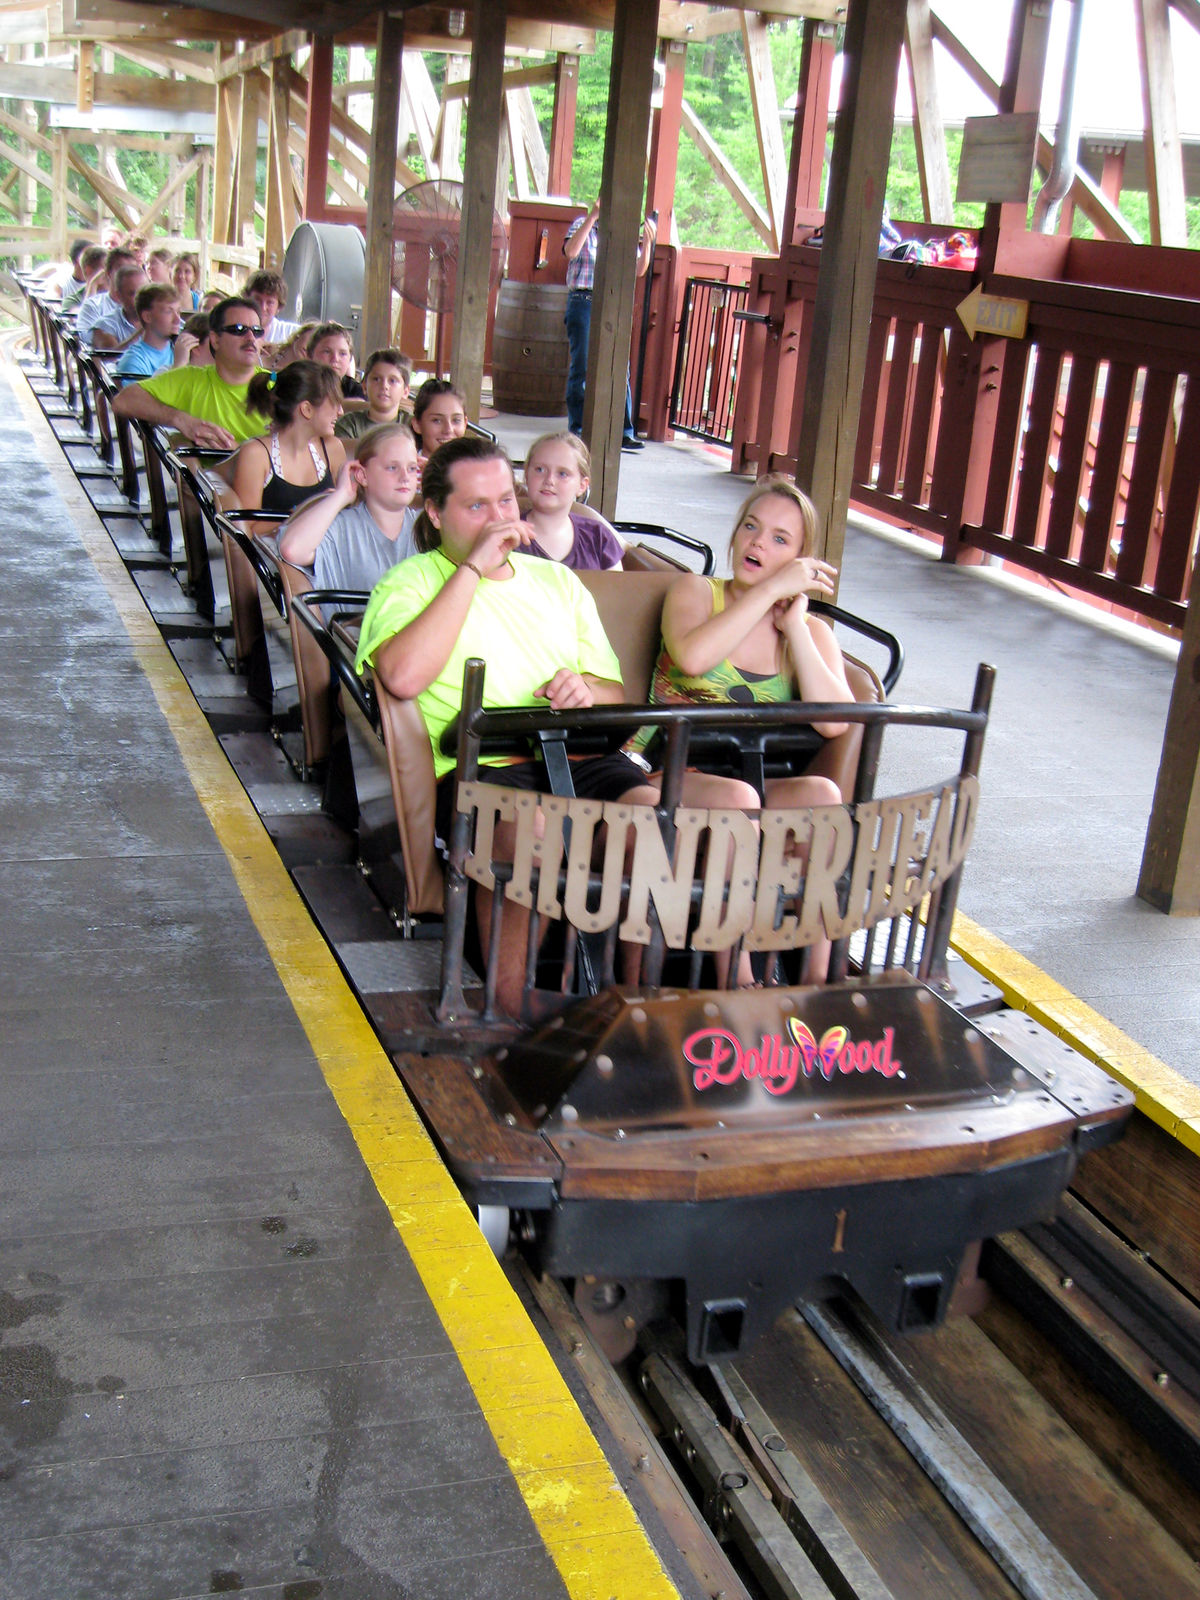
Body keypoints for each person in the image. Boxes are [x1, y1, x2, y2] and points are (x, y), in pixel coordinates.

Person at [355, 434, 659, 1015]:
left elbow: (613, 692)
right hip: (485, 765)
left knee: (653, 821)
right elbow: (401, 676)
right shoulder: (411, 582)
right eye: (476, 506)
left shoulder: (558, 582)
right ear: (435, 513)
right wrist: (472, 568)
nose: (498, 520)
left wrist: (583, 690)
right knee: (531, 829)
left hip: (581, 758)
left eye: (504, 502)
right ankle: (508, 1003)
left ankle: (634, 1005)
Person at [635, 475, 853, 982]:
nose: (758, 543)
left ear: (800, 559)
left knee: (822, 797)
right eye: (751, 528)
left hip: (750, 779)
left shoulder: (809, 631)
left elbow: (836, 720)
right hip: (669, 771)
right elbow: (692, 658)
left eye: (779, 539)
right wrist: (769, 590)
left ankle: (817, 983)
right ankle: (740, 979)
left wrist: (795, 627)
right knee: (738, 802)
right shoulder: (695, 592)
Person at [112, 295, 270, 449]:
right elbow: (123, 401)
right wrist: (179, 419)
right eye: (239, 329)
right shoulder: (190, 379)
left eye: (257, 331)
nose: (251, 338)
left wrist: (238, 453)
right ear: (215, 340)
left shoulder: (276, 386)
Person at [279, 422, 420, 590]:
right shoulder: (341, 527)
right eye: (392, 467)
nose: (405, 477)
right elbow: (292, 550)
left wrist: (435, 485)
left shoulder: (427, 525)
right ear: (362, 475)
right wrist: (342, 494)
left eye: (412, 468)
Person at [563, 203, 656, 451]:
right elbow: (571, 252)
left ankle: (623, 431)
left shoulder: (622, 234)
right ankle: (578, 428)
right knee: (582, 366)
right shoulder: (581, 225)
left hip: (613, 304)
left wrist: (647, 242)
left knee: (619, 367)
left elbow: (638, 270)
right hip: (583, 299)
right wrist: (592, 217)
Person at [231, 359, 346, 518]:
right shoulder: (255, 454)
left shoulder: (333, 448)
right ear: (307, 409)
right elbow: (247, 526)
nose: (341, 412)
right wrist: (306, 514)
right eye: (334, 402)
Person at [521, 430, 623, 570]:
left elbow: (618, 583)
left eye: (562, 474)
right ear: (526, 475)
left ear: (582, 486)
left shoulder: (598, 537)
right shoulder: (509, 536)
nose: (549, 480)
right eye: (540, 469)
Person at [335, 348, 411, 441]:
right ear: (364, 387)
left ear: (405, 391)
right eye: (376, 379)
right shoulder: (349, 425)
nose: (384, 386)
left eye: (392, 381)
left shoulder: (414, 425)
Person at [113, 284, 180, 379]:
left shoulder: (181, 351)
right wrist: (179, 365)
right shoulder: (134, 361)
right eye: (168, 311)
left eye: (178, 312)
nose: (177, 320)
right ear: (147, 317)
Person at [75, 247, 137, 345]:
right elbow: (86, 340)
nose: (127, 275)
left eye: (132, 271)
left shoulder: (146, 307)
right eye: (121, 269)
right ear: (108, 273)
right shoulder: (93, 305)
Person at [91, 263, 148, 351]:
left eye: (145, 291)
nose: (142, 298)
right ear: (119, 296)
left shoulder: (166, 319)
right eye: (133, 294)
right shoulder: (105, 326)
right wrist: (146, 330)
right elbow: (112, 356)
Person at [410, 378, 467, 460]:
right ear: (417, 424)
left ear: (465, 423)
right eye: (437, 420)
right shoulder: (404, 467)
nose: (448, 430)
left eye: (456, 420)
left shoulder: (476, 466)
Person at [309, 322, 366, 400]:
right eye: (327, 351)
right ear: (310, 355)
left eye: (342, 354)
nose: (335, 358)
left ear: (350, 359)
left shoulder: (356, 391)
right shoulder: (300, 386)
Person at [242, 268, 297, 344]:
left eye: (270, 303)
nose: (263, 308)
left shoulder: (291, 333)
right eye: (257, 300)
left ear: (279, 307)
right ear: (246, 299)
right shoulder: (233, 331)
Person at [62, 244, 106, 311]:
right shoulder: (72, 301)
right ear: (89, 271)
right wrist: (93, 284)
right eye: (106, 268)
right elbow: (86, 316)